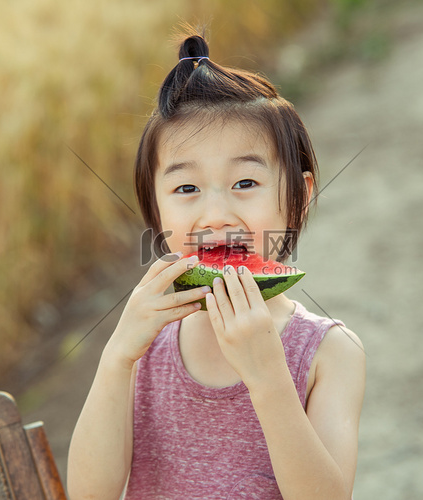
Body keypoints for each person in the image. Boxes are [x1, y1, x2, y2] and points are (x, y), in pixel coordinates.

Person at [68, 27, 366, 500]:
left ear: (301, 197)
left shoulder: (330, 353)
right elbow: (89, 493)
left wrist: (268, 376)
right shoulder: (145, 346)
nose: (215, 214)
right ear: (156, 211)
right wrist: (116, 358)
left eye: (245, 182)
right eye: (186, 189)